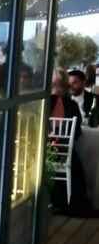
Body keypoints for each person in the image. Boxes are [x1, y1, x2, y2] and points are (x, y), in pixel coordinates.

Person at [49, 69, 93, 216]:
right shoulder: (72, 105)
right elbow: (77, 134)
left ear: (53, 84)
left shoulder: (44, 103)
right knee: (75, 160)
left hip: (45, 152)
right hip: (63, 153)